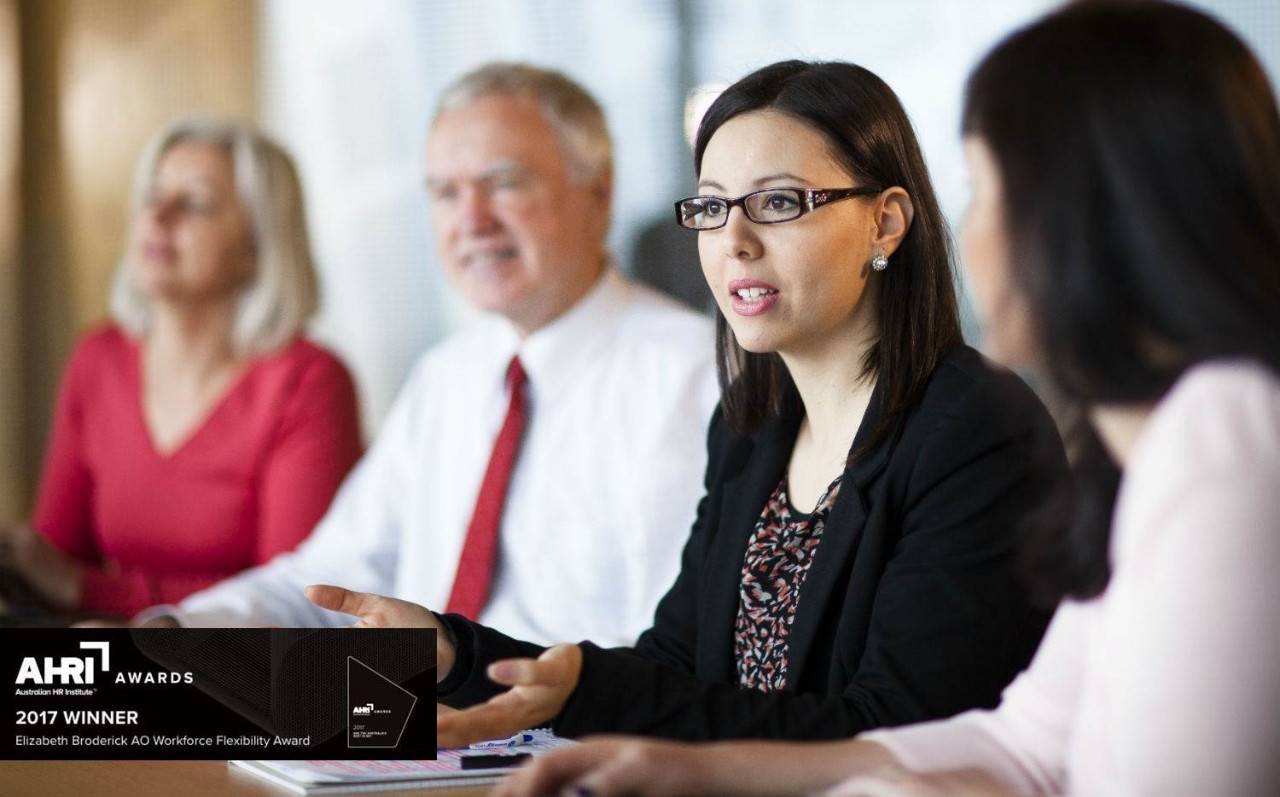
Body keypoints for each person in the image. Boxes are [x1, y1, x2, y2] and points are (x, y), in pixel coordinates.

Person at [496, 0, 1280, 796]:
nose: (972, 232)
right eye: (712, 206)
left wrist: (695, 766)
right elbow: (1023, 743)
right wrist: (454, 663)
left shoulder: (1218, 437)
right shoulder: (1147, 456)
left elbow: (910, 724)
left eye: (988, 187)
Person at [313, 59, 1070, 745]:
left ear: (886, 220)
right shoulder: (754, 425)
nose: (734, 239)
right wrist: (457, 653)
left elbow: (894, 737)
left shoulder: (975, 429)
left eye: (777, 202)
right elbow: (674, 666)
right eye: (711, 208)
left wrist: (584, 695)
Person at [133, 63, 720, 650]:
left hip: (568, 733)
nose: (472, 220)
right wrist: (177, 629)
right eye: (444, 192)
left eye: (504, 182)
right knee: (91, 717)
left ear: (599, 193)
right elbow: (329, 581)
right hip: (404, 722)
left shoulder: (697, 379)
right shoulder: (447, 376)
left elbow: (674, 655)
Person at [0, 118, 363, 619]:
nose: (157, 216)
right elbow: (54, 564)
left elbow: (291, 601)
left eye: (194, 203)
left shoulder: (309, 380)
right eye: (152, 196)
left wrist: (89, 591)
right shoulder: (98, 357)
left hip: (244, 678)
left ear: (257, 249)